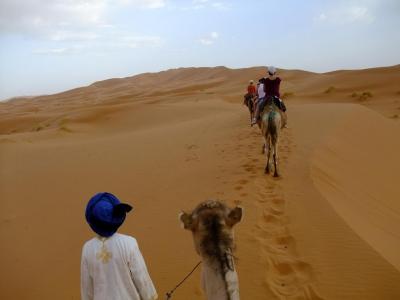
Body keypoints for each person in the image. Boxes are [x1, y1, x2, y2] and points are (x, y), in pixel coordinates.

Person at [81, 192, 158, 300]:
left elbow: (87, 289)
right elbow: (141, 278)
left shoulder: (87, 248)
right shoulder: (129, 243)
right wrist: (150, 297)